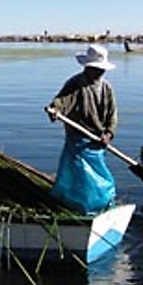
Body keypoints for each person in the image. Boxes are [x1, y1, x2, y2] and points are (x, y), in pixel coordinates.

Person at [47, 43, 118, 215]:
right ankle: (76, 205)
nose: (99, 72)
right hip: (78, 139)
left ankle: (99, 204)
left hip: (97, 141)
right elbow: (61, 101)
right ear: (87, 67)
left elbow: (112, 113)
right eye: (95, 69)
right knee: (79, 175)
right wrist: (55, 109)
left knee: (99, 177)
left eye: (101, 70)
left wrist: (108, 132)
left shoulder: (106, 87)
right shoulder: (75, 84)